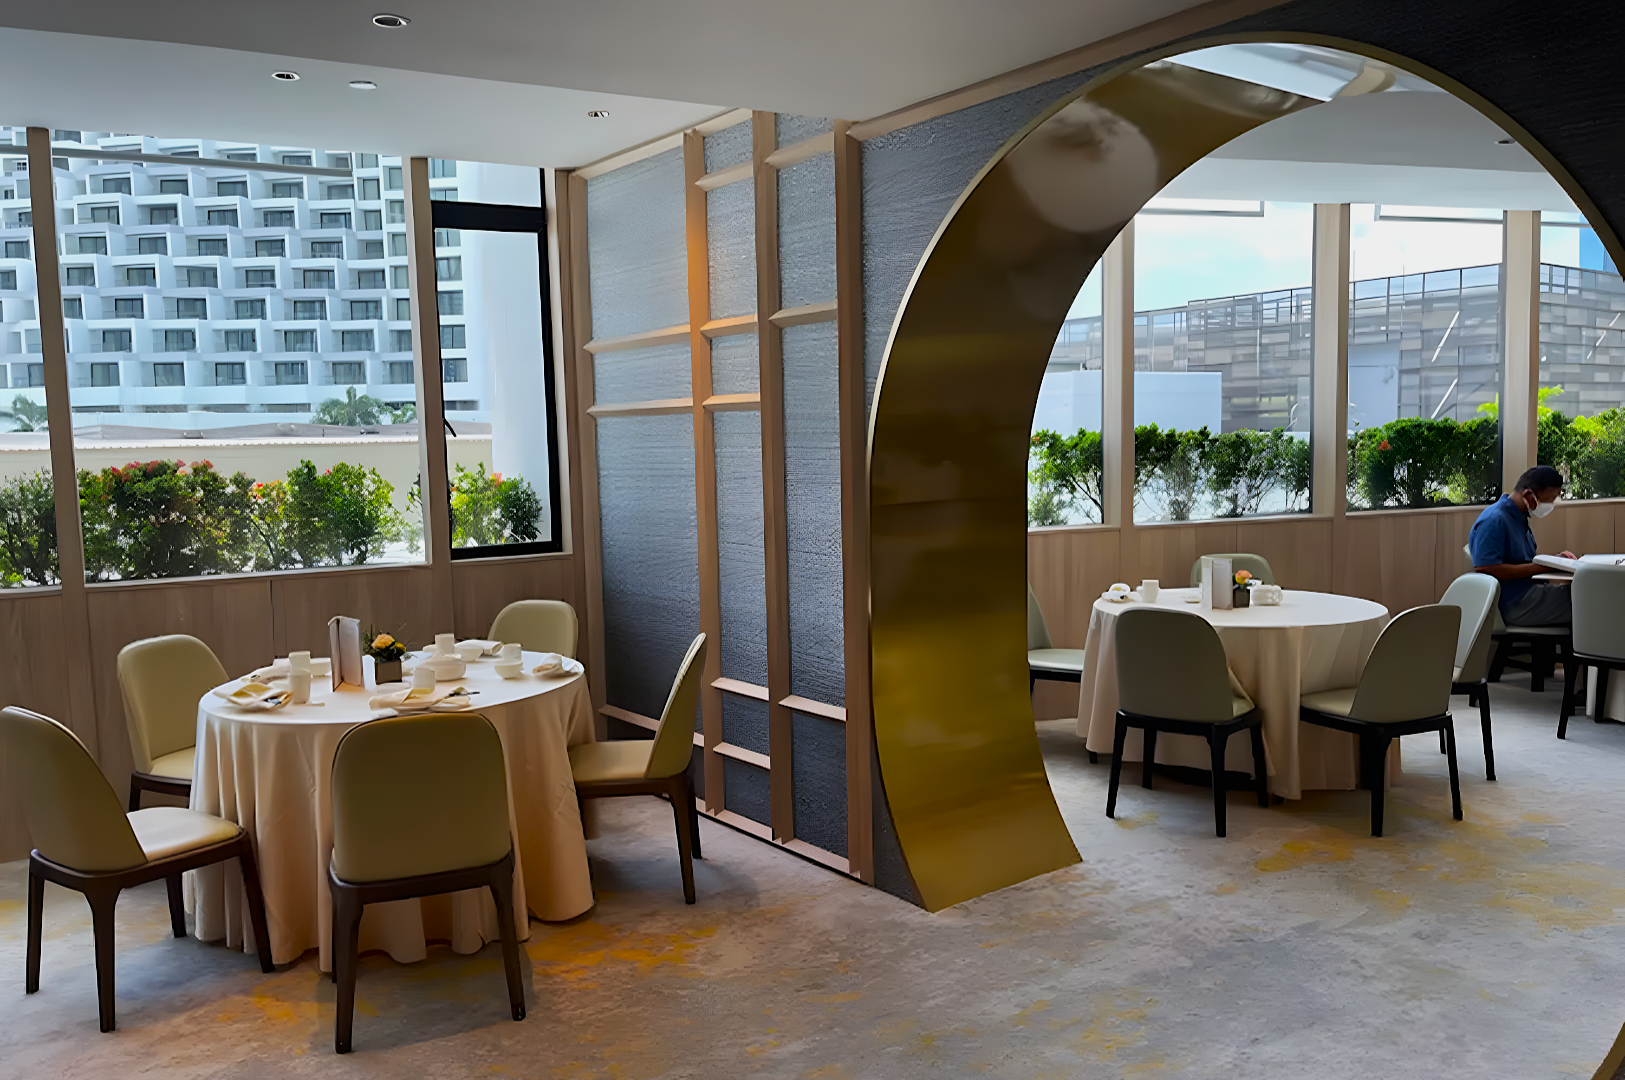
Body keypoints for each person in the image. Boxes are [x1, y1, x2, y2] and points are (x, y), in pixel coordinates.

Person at [1467, 465, 1575, 626]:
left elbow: (1523, 561)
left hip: (1529, 593)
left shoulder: (1519, 517)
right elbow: (1486, 568)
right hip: (1515, 604)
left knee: (1584, 593)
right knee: (1587, 600)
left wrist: (1554, 561)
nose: (1551, 504)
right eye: (1551, 499)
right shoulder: (1495, 520)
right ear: (1529, 495)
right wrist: (1545, 567)